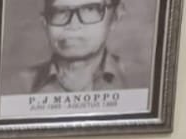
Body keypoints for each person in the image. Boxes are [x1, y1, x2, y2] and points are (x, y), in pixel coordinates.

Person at [8, 0, 138, 94]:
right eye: (60, 12)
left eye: (90, 9)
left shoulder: (139, 80)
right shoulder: (15, 87)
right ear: (44, 23)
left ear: (115, 17)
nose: (73, 25)